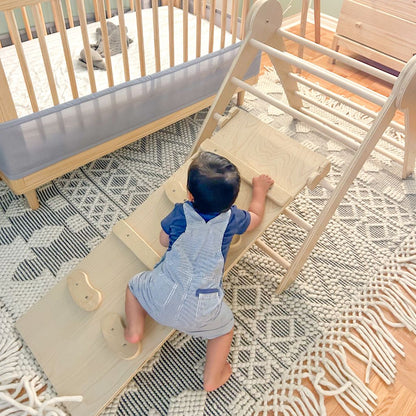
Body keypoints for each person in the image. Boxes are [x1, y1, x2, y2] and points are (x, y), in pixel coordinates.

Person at [124, 151, 274, 391]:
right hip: (202, 309)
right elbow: (255, 218)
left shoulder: (180, 213)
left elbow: (163, 240)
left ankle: (134, 329)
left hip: (163, 292)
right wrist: (259, 190)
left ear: (190, 195)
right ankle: (212, 377)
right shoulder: (232, 218)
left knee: (133, 286)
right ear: (232, 202)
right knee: (225, 330)